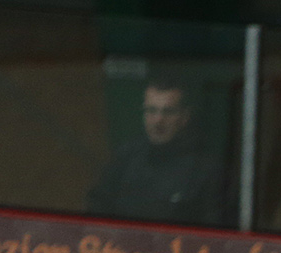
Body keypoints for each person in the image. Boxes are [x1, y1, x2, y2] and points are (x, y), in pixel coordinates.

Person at [87, 77, 228, 227]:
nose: (158, 120)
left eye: (168, 112)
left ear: (184, 117)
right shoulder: (125, 158)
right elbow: (97, 210)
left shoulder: (207, 170)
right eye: (151, 110)